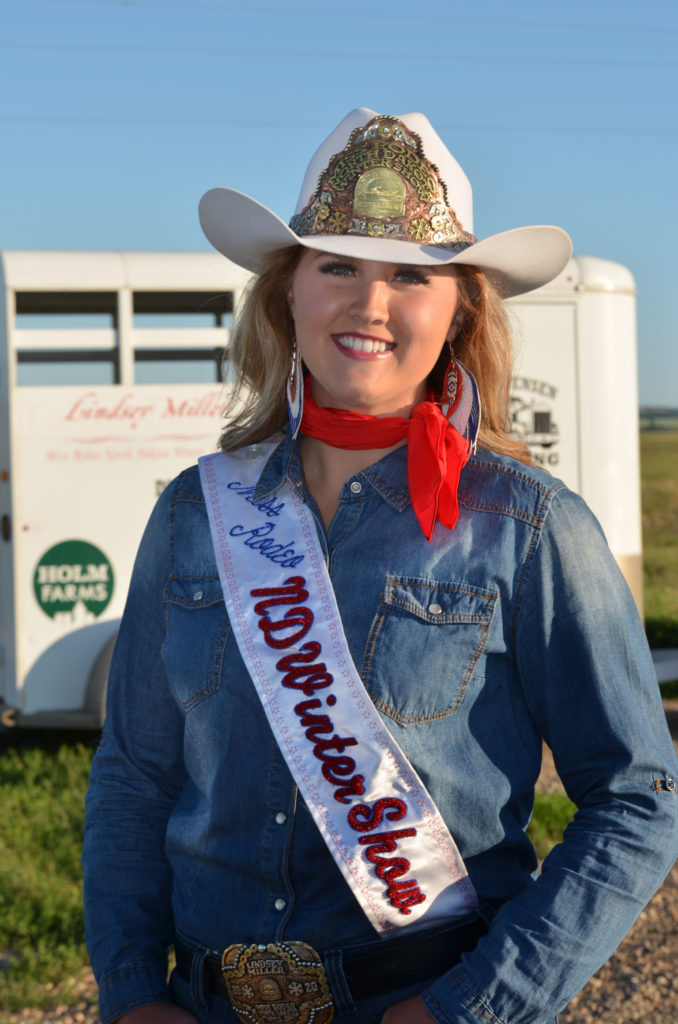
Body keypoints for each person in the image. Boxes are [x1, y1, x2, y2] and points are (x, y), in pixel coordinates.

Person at [83, 108, 678, 1024]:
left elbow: (639, 800)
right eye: (337, 265)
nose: (370, 305)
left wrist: (473, 1007)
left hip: (424, 1000)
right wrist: (128, 996)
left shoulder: (531, 529)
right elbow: (133, 777)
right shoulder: (195, 514)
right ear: (287, 292)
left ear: (459, 308)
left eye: (411, 276)